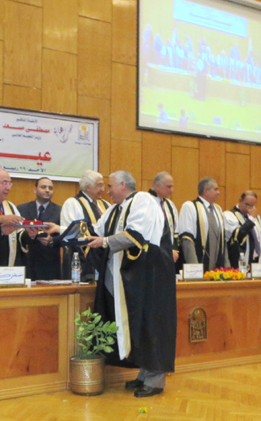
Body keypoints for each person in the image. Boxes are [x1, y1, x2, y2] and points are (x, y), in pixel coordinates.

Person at [87, 170, 176, 398]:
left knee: (152, 325)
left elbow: (135, 235)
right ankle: (144, 376)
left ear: (122, 185)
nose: (107, 191)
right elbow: (94, 231)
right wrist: (59, 232)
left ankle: (155, 380)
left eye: (110, 186)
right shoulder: (114, 209)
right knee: (138, 325)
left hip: (151, 275)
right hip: (132, 278)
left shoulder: (142, 200)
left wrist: (104, 241)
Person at [60, 170, 111, 281]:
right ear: (88, 187)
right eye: (99, 185)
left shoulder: (106, 204)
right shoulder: (72, 203)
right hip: (81, 260)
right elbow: (70, 233)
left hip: (104, 258)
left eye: (103, 185)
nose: (103, 189)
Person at [178, 177, 230, 272]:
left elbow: (223, 240)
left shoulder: (218, 209)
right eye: (216, 189)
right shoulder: (190, 207)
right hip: (198, 264)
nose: (218, 192)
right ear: (206, 191)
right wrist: (194, 268)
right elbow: (187, 239)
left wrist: (227, 267)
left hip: (217, 268)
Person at [17, 177, 62, 281]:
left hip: (50, 264)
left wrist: (52, 240)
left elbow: (66, 236)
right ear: (35, 189)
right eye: (43, 187)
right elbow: (16, 234)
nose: (47, 190)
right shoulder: (22, 209)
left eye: (50, 188)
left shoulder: (60, 210)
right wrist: (30, 236)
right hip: (27, 262)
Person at [223, 191, 261, 269]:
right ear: (240, 200)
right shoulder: (229, 215)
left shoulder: (256, 218)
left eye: (252, 206)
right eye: (247, 204)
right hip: (237, 261)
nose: (249, 208)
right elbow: (237, 236)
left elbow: (259, 240)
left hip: (255, 262)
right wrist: (251, 220)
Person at [148, 171, 180, 264]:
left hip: (169, 255)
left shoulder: (170, 205)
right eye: (168, 187)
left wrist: (173, 251)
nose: (172, 190)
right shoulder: (147, 203)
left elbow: (175, 232)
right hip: (152, 255)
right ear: (157, 186)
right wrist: (166, 252)